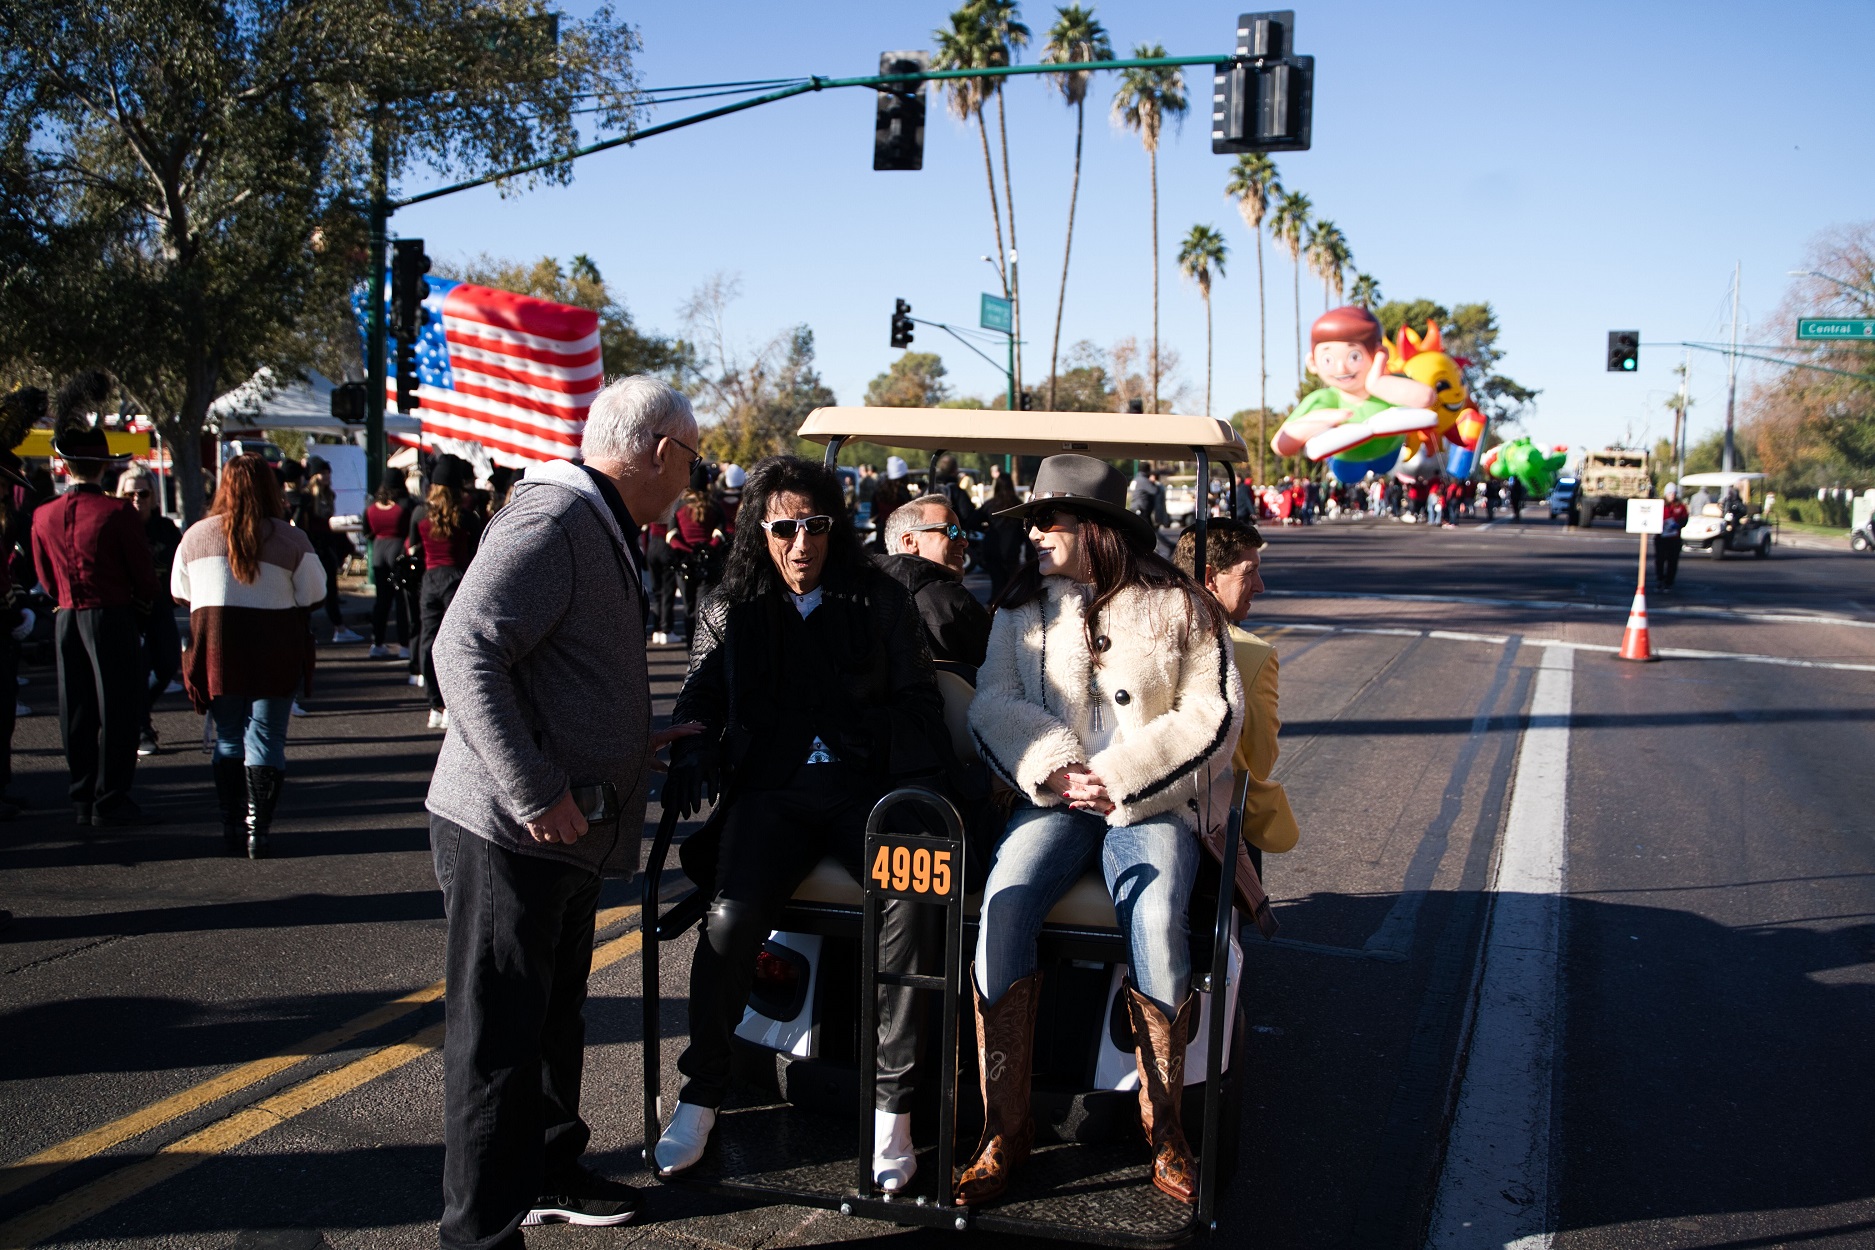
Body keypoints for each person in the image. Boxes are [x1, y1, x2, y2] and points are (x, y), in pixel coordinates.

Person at [426, 375, 699, 1246]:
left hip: (560, 829)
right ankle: (481, 1232)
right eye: (691, 460)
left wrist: (629, 742)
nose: (691, 479)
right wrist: (535, 787)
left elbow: (555, 668)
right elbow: (462, 649)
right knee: (498, 1041)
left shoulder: (595, 522)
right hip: (514, 828)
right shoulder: (555, 519)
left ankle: (546, 1167)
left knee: (549, 1021)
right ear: (661, 454)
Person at [654, 455, 950, 1192]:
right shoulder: (730, 606)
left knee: (912, 900)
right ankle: (700, 1093)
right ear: (761, 528)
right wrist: (693, 744)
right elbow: (698, 694)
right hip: (773, 796)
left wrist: (865, 738)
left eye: (814, 526)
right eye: (784, 527)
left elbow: (920, 705)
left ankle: (892, 1110)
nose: (800, 543)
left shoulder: (878, 600)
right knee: (728, 920)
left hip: (867, 795)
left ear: (832, 528)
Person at [960, 454, 1244, 1206]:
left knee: (1155, 915)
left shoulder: (1178, 604)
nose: (1037, 536)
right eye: (1033, 524)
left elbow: (1214, 714)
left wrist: (1119, 778)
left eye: (1048, 522)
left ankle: (1166, 1127)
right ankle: (1001, 1130)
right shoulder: (1019, 607)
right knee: (1004, 901)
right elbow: (989, 702)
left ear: (1094, 529)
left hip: (1145, 805)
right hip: (1052, 800)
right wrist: (1054, 767)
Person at [172, 453, 325, 857]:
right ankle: (259, 829)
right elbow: (315, 593)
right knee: (267, 735)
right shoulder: (292, 538)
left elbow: (180, 592)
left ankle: (230, 823)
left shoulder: (195, 536)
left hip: (217, 650)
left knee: (227, 736)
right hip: (275, 647)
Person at [31, 424, 161, 828]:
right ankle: (111, 797)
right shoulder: (117, 512)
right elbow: (142, 574)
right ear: (103, 468)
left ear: (67, 467)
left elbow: (46, 578)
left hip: (67, 615)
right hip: (111, 614)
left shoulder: (42, 514)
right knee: (118, 708)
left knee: (77, 710)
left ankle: (82, 795)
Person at [1172, 520, 1299, 878]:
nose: (1259, 586)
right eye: (1250, 573)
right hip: (1217, 813)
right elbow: (1259, 761)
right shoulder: (1253, 656)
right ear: (1210, 577)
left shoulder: (1147, 629)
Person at [877, 494, 991, 671]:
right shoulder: (953, 601)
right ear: (910, 541)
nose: (964, 542)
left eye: (962, 533)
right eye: (951, 531)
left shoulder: (863, 598)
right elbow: (1000, 668)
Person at [115, 467, 182, 757]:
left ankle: (135, 711)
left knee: (167, 667)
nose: (136, 499)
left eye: (142, 493)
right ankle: (141, 728)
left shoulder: (166, 529)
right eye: (129, 494)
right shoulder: (114, 525)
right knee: (137, 669)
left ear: (154, 497)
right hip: (126, 611)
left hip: (160, 608)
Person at [410, 458, 481, 729]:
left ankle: (434, 704)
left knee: (428, 641)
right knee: (456, 643)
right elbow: (478, 552)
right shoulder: (465, 517)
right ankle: (452, 703)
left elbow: (412, 546)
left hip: (430, 579)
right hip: (458, 579)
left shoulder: (419, 514)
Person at [295, 456, 360, 643]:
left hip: (326, 546)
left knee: (331, 589)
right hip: (313, 546)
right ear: (315, 475)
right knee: (309, 589)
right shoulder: (307, 497)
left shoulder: (329, 495)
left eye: (328, 472)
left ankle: (339, 627)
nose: (327, 476)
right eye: (323, 472)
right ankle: (307, 629)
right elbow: (302, 524)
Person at [667, 476, 726, 648]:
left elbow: (671, 537)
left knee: (688, 608)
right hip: (707, 565)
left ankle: (690, 652)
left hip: (685, 566)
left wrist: (689, 552)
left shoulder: (679, 506)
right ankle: (702, 651)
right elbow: (719, 535)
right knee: (703, 610)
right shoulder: (714, 505)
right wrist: (705, 550)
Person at [364, 469, 413, 660]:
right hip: (398, 551)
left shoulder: (372, 506)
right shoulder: (405, 504)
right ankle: (404, 645)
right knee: (402, 601)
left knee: (381, 601)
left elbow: (366, 531)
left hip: (378, 552)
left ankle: (377, 642)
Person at [979, 473, 1027, 603]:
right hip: (1012, 548)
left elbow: (972, 521)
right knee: (1009, 585)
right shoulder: (1018, 505)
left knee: (996, 583)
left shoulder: (990, 505)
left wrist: (986, 528)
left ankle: (993, 609)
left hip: (992, 547)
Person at [1657, 483, 1689, 590]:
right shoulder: (1660, 505)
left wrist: (1678, 525)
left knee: (1673, 561)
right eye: (1670, 493)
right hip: (1662, 538)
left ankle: (1669, 582)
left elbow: (1684, 519)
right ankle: (1660, 579)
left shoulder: (1680, 506)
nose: (1672, 495)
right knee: (1660, 559)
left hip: (1674, 538)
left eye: (1674, 493)